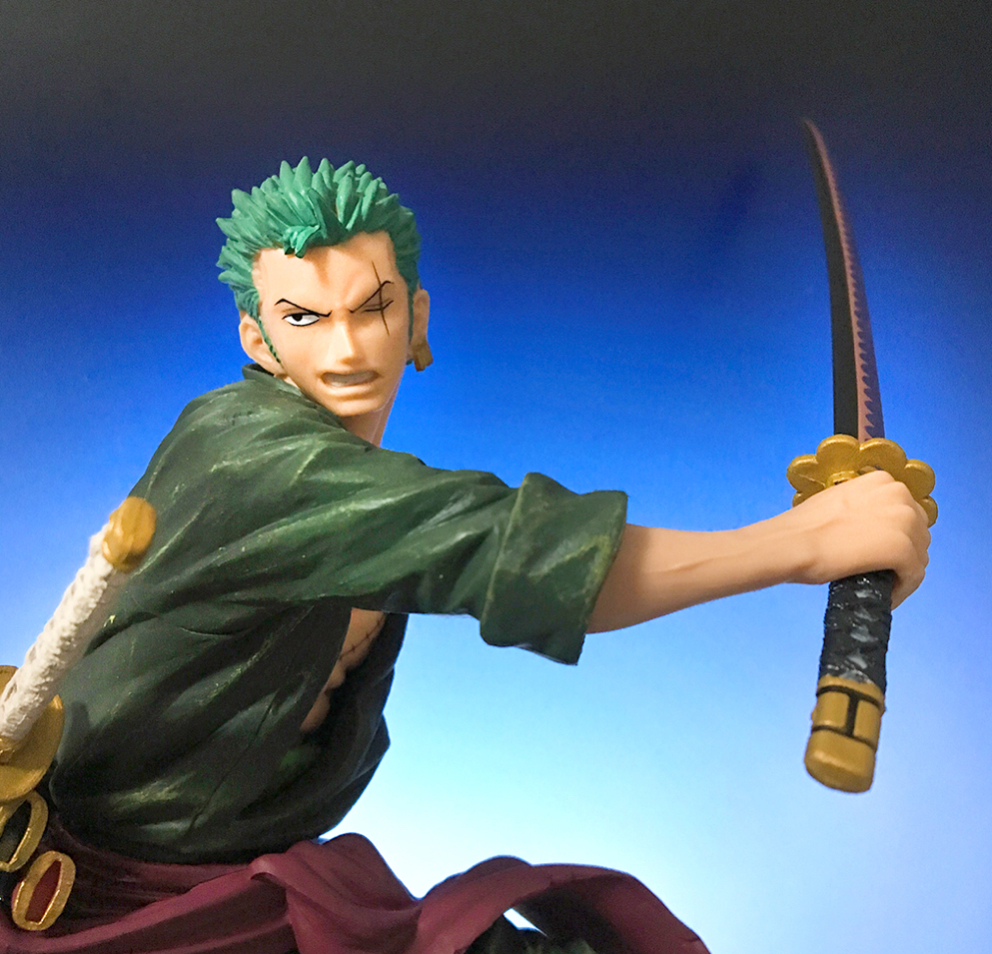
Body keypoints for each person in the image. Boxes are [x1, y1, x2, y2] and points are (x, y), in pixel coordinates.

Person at [13, 158, 928, 953]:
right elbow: (515, 556)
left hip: (236, 884)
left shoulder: (345, 476)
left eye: (371, 308)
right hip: (114, 903)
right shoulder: (253, 458)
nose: (345, 348)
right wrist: (803, 543)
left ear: (415, 316)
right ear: (259, 339)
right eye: (304, 317)